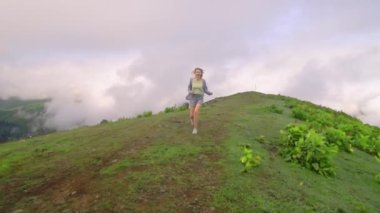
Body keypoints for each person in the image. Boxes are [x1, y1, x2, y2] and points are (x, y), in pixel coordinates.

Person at [187, 67, 213, 134]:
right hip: (192, 97)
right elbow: (189, 88)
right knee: (191, 115)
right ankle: (192, 119)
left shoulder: (203, 81)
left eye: (199, 72)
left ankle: (195, 128)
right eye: (197, 72)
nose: (198, 73)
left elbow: (205, 89)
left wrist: (209, 93)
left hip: (200, 98)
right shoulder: (191, 80)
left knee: (196, 111)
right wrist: (190, 92)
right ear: (194, 73)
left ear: (201, 73)